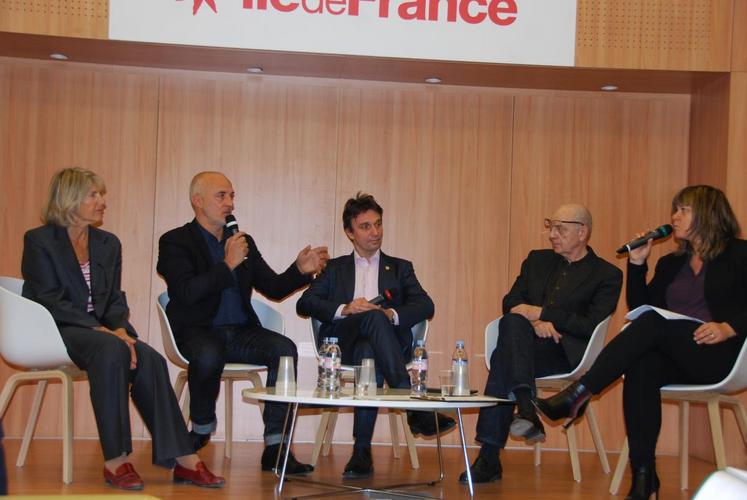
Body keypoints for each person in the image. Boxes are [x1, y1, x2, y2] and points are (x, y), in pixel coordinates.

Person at [537, 186, 747, 500]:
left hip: (721, 355)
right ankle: (644, 478)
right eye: (674, 210)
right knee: (641, 364)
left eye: (682, 210)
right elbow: (641, 309)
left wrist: (728, 327)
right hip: (679, 356)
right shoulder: (670, 265)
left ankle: (580, 392)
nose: (674, 217)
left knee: (651, 331)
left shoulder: (740, 254)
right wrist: (637, 265)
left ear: (707, 213)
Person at [21, 168, 224, 490]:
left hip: (103, 334)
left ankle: (184, 459)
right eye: (94, 195)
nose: (102, 202)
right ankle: (115, 460)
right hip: (55, 328)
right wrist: (105, 333)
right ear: (70, 199)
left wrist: (120, 331)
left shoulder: (107, 243)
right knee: (112, 350)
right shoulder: (40, 240)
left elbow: (114, 299)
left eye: (101, 195)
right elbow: (49, 299)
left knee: (150, 358)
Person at [156, 171, 328, 474]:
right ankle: (201, 428)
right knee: (209, 354)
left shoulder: (242, 241)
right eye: (221, 196)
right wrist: (227, 265)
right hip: (198, 331)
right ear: (198, 201)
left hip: (241, 333)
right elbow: (185, 293)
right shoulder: (175, 241)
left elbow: (273, 287)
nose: (229, 203)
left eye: (232, 196)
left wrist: (300, 270)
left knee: (284, 350)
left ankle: (276, 447)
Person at [297, 192, 456, 479]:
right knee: (367, 315)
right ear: (350, 232)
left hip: (386, 345)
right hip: (342, 343)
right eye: (365, 226)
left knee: (370, 346)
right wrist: (346, 309)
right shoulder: (334, 269)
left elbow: (425, 305)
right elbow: (304, 303)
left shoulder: (400, 268)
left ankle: (362, 452)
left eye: (378, 224)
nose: (375, 232)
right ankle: (412, 406)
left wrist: (390, 315)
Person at [462, 204, 622, 483]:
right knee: (512, 325)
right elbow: (510, 302)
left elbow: (589, 325)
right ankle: (526, 406)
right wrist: (534, 323)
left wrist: (544, 314)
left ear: (582, 232)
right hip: (525, 343)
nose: (552, 234)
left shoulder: (606, 274)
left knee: (505, 356)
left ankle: (490, 456)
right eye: (550, 226)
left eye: (560, 228)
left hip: (565, 352)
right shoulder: (537, 260)